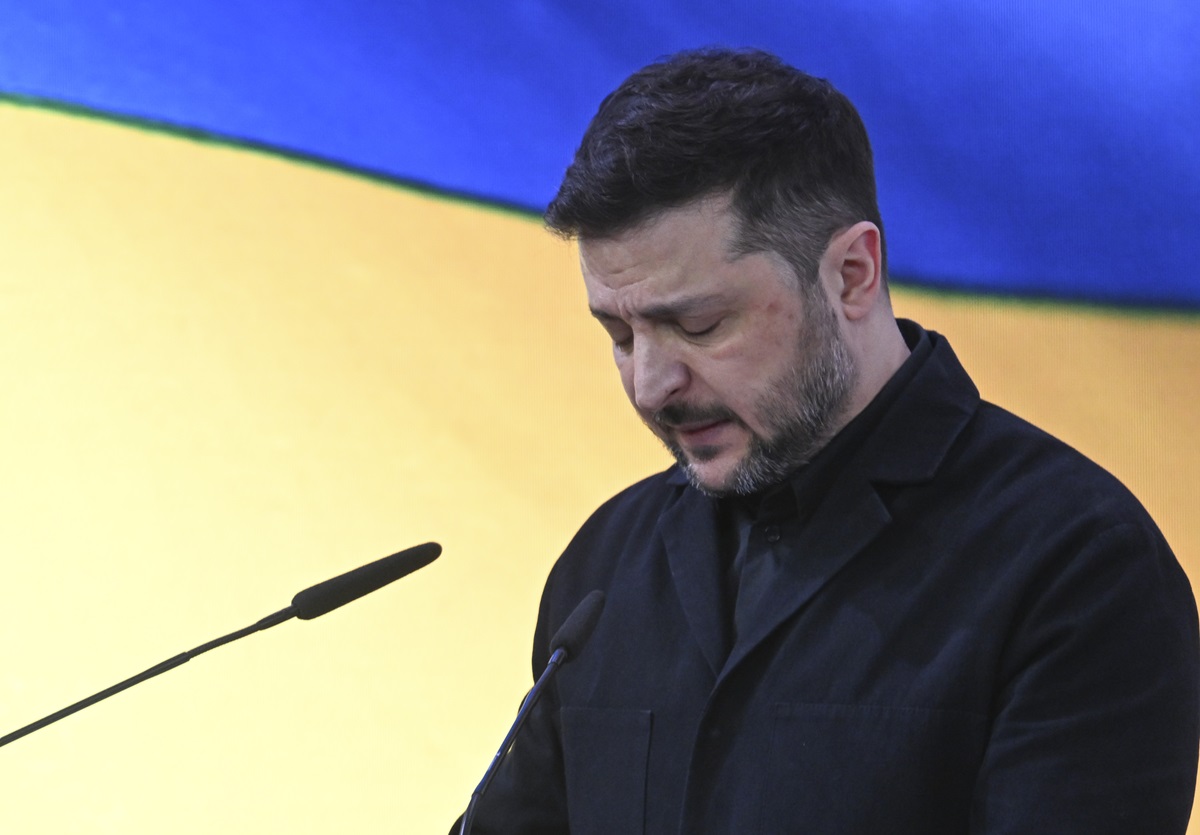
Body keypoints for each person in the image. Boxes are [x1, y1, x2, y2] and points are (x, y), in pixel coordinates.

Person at [461, 47, 1200, 833]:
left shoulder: (1077, 567)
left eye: (698, 324)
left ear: (852, 272)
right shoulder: (605, 565)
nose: (650, 384)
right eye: (618, 333)